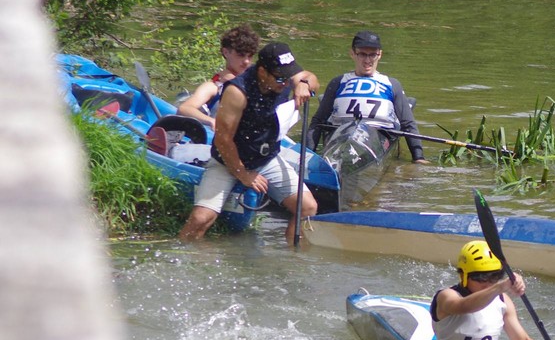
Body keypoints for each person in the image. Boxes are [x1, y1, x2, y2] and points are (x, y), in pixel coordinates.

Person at [178, 42, 319, 243]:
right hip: (228, 161)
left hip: (266, 159)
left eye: (288, 77)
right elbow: (223, 139)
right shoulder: (237, 92)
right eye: (280, 78)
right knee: (201, 220)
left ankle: (293, 256)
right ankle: (185, 252)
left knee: (307, 207)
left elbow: (310, 78)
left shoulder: (285, 78)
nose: (285, 83)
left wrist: (304, 84)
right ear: (262, 72)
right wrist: (243, 174)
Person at [430, 241, 555, 340]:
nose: (488, 284)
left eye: (494, 277)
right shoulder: (446, 296)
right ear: (463, 275)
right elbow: (464, 307)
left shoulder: (503, 300)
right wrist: (499, 286)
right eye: (481, 278)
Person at [307, 30, 429, 164]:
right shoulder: (338, 82)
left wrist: (419, 158)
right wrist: (307, 155)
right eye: (362, 54)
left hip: (379, 135)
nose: (367, 60)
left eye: (372, 55)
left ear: (380, 54)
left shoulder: (392, 84)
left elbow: (408, 124)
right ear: (352, 53)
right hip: (342, 133)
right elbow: (318, 121)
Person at [176, 24, 260, 131]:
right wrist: (211, 121)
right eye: (241, 55)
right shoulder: (213, 87)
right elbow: (184, 108)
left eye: (250, 56)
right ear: (226, 52)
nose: (246, 61)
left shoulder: (255, 83)